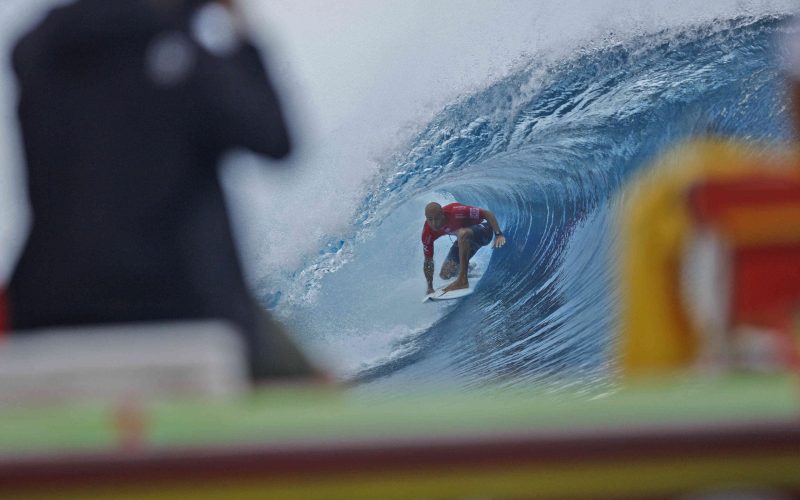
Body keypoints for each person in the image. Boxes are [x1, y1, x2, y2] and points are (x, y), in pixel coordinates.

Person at [7, 0, 317, 380]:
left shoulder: (37, 53)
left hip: (52, 310)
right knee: (309, 383)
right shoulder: (181, 60)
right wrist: (239, 27)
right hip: (180, 307)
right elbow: (276, 140)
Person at [422, 202, 506, 294]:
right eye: (430, 219)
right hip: (466, 240)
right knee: (445, 274)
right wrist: (430, 287)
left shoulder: (456, 211)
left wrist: (498, 234)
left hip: (484, 232)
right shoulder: (427, 232)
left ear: (442, 214)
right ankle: (468, 268)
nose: (434, 223)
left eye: (437, 218)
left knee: (462, 233)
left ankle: (462, 280)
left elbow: (487, 213)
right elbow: (428, 261)